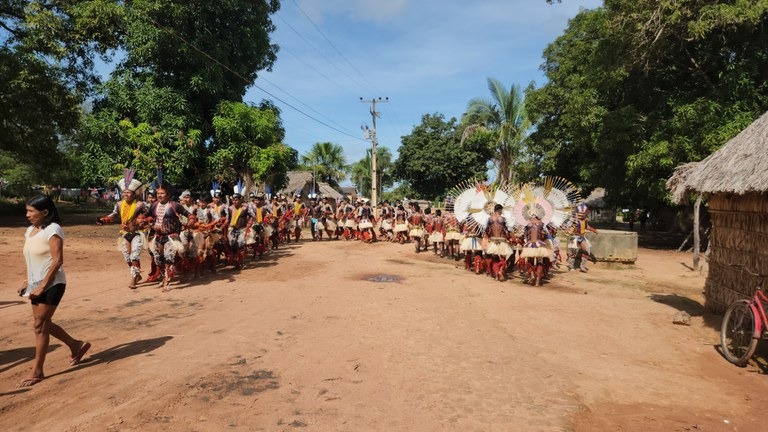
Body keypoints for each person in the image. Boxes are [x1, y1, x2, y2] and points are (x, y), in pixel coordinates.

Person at [17, 195, 91, 387]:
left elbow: (57, 260)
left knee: (40, 324)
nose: (27, 215)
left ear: (45, 212)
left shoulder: (53, 229)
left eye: (31, 211)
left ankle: (38, 371)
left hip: (52, 284)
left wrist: (42, 285)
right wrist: (27, 280)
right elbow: (30, 258)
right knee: (42, 323)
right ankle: (76, 345)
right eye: (27, 211)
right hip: (35, 283)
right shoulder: (30, 231)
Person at [96, 169, 149, 289]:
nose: (126, 194)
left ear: (134, 193)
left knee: (134, 256)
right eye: (124, 192)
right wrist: (104, 220)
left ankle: (134, 279)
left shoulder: (141, 205)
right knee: (127, 257)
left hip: (137, 233)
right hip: (124, 233)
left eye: (128, 192)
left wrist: (142, 220)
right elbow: (114, 215)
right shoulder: (119, 204)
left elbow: (149, 215)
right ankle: (136, 274)